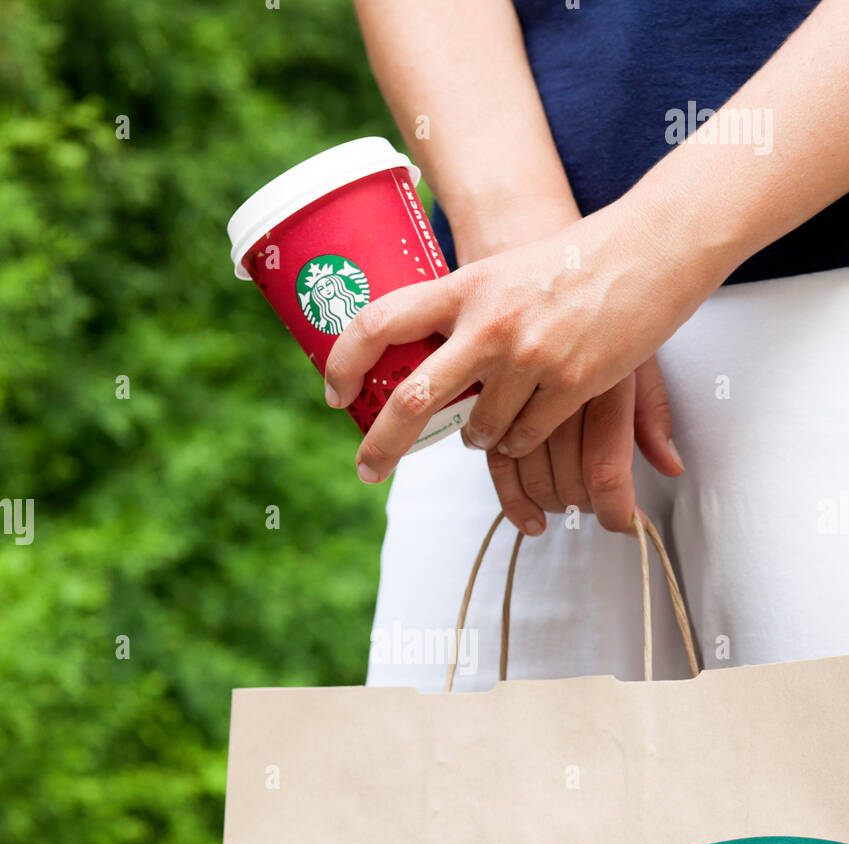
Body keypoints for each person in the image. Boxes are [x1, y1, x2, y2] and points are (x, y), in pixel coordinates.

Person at [326, 0, 849, 690]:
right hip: (505, 315)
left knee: (815, 783)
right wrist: (526, 246)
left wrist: (634, 258)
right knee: (489, 782)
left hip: (816, 302)